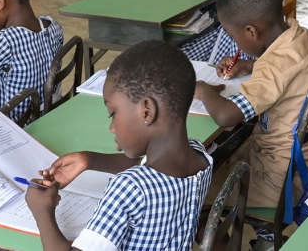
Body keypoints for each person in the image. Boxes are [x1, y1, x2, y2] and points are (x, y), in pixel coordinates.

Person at [26, 41, 212, 251]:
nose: (112, 128)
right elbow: (144, 166)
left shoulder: (128, 189)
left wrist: (43, 212)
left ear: (147, 111)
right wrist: (89, 160)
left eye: (112, 113)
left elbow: (139, 176)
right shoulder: (200, 156)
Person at [194, 0, 308, 228]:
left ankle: (261, 238)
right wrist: (252, 65)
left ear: (251, 31)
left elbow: (226, 115)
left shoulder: (273, 68)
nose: (237, 45)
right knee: (225, 156)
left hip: (282, 176)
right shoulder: (305, 37)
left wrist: (204, 90)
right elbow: (288, 72)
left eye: (235, 38)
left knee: (196, 193)